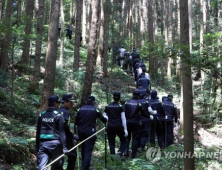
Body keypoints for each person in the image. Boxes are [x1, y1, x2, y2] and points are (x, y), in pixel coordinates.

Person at [36, 95, 68, 170]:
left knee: (42, 167)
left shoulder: (42, 115)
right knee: (57, 166)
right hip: (55, 145)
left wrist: (37, 146)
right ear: (55, 103)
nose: (59, 105)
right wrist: (65, 147)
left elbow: (38, 132)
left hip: (43, 145)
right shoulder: (58, 115)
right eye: (58, 103)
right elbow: (61, 133)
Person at [75, 96, 107, 170]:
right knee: (88, 150)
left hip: (81, 132)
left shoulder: (80, 109)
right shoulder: (95, 110)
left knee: (83, 149)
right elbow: (103, 120)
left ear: (86, 101)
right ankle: (85, 168)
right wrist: (106, 118)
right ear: (93, 101)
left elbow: (76, 122)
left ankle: (84, 165)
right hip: (90, 132)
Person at [51, 94, 78, 170]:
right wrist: (73, 136)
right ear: (65, 102)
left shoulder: (57, 111)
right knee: (72, 155)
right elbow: (64, 127)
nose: (72, 105)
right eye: (71, 103)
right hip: (65, 138)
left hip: (56, 138)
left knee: (57, 159)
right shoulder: (65, 112)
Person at [103, 92, 128, 156]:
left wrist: (108, 119)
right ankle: (120, 153)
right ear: (119, 98)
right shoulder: (120, 106)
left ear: (113, 97)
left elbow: (104, 115)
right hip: (118, 125)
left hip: (110, 126)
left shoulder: (108, 106)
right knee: (124, 140)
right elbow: (123, 118)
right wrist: (125, 129)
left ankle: (113, 156)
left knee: (111, 142)